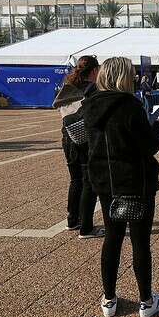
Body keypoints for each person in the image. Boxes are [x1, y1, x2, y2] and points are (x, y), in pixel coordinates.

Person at [82, 57, 159, 317]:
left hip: (106, 182)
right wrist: (157, 129)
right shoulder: (131, 106)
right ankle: (146, 301)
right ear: (123, 78)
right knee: (140, 242)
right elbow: (148, 146)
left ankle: (109, 299)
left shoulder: (90, 106)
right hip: (135, 182)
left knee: (112, 238)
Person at [53, 56, 104, 239]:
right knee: (89, 182)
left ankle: (72, 220)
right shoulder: (91, 89)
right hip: (84, 139)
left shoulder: (67, 87)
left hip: (68, 137)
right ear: (93, 71)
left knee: (76, 180)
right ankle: (86, 228)